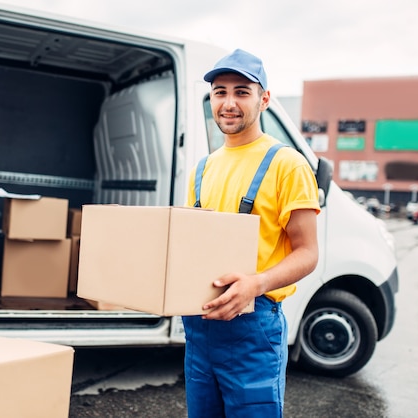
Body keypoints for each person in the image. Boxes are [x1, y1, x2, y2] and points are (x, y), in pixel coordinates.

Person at [182, 48, 321, 417]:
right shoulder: (202, 169)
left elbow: (308, 253)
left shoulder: (287, 165)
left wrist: (256, 284)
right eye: (220, 91)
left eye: (242, 92)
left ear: (264, 99)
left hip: (253, 330)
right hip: (199, 328)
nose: (229, 102)